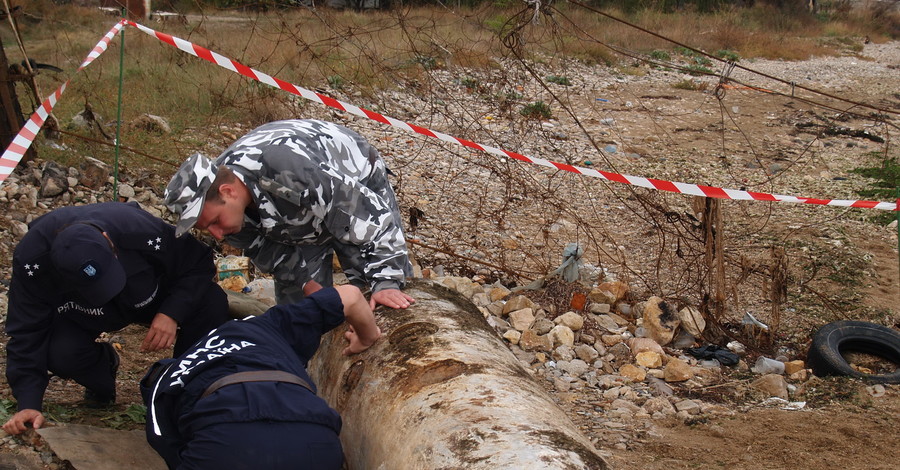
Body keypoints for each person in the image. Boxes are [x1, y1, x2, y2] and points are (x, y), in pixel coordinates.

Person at [2, 202, 229, 435]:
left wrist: (171, 313)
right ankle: (103, 368)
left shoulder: (139, 229)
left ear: (107, 240)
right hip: (82, 314)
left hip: (148, 296)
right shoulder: (32, 262)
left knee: (211, 302)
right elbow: (26, 332)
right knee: (59, 352)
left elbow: (199, 262)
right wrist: (28, 404)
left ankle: (187, 389)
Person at [164, 119, 415, 309]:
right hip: (298, 212)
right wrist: (307, 283)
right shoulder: (226, 210)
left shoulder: (285, 168)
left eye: (215, 222)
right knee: (302, 312)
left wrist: (387, 282)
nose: (217, 234)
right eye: (208, 228)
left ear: (228, 191)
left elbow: (374, 219)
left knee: (377, 296)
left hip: (351, 183)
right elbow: (270, 253)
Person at [141, 281, 380, 470]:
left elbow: (164, 438)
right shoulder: (271, 325)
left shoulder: (175, 372)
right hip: (312, 435)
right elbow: (350, 295)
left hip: (226, 443)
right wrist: (367, 337)